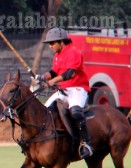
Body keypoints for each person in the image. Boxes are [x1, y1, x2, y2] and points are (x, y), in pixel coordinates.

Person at [36, 27, 93, 159]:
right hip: (62, 90)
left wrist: (53, 81)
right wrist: (43, 77)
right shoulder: (57, 56)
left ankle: (86, 143)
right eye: (49, 44)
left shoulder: (74, 53)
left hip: (78, 89)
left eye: (52, 43)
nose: (50, 46)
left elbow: (69, 73)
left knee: (75, 112)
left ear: (61, 42)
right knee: (44, 111)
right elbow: (54, 72)